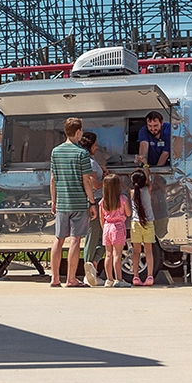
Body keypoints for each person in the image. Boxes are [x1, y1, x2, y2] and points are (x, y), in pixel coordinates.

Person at [48, 116, 91, 288]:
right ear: (78, 132)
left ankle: (55, 278)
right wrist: (92, 202)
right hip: (79, 202)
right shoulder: (82, 153)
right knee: (75, 239)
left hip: (61, 203)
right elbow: (86, 180)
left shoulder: (55, 152)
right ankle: (71, 278)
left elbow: (52, 179)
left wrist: (54, 200)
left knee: (58, 239)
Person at [79, 131, 105, 286]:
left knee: (100, 236)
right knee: (94, 235)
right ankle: (88, 266)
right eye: (95, 145)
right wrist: (107, 180)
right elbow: (94, 184)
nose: (97, 147)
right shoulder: (90, 162)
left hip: (96, 200)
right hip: (94, 200)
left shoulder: (89, 160)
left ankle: (93, 264)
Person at [98, 174, 130, 287]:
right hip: (118, 227)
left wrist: (104, 229)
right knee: (117, 255)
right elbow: (128, 213)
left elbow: (101, 218)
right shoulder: (123, 199)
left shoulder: (102, 201)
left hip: (107, 227)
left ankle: (109, 279)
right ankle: (119, 279)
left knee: (108, 255)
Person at [128, 169, 156, 286]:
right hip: (148, 223)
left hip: (136, 223)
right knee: (148, 250)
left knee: (136, 251)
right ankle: (150, 276)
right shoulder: (147, 190)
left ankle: (135, 276)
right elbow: (148, 181)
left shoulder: (131, 192)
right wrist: (145, 165)